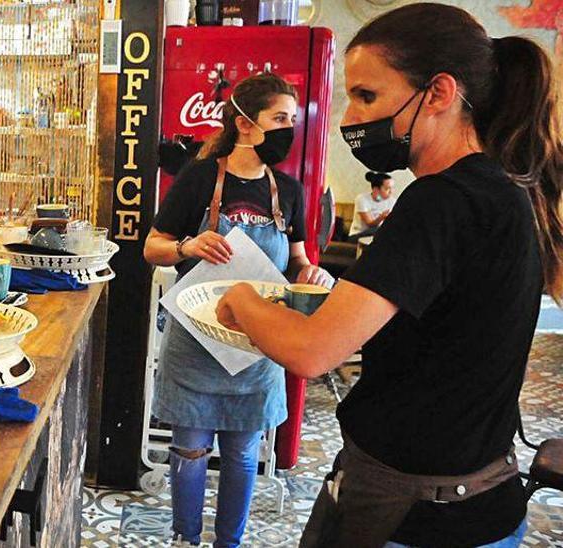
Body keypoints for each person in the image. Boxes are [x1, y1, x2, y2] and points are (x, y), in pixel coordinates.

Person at [215, 3, 562, 546]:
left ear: (441, 93)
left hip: (415, 516)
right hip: (486, 502)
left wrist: (238, 297)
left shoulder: (440, 202)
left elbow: (313, 351)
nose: (349, 118)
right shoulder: (506, 189)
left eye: (368, 96)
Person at [143, 72, 333, 547]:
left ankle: (230, 543)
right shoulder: (200, 177)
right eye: (280, 118)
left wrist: (313, 275)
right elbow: (152, 247)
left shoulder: (288, 190)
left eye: (292, 119)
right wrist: (188, 246)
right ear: (245, 124)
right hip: (197, 342)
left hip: (256, 343)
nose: (289, 128)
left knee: (244, 455)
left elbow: (300, 261)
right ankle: (186, 539)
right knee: (189, 451)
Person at [349, 171, 395, 237]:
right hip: (358, 234)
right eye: (387, 189)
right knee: (380, 231)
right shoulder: (362, 199)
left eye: (392, 188)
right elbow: (370, 224)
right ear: (376, 189)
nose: (391, 191)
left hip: (378, 236)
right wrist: (382, 217)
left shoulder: (392, 201)